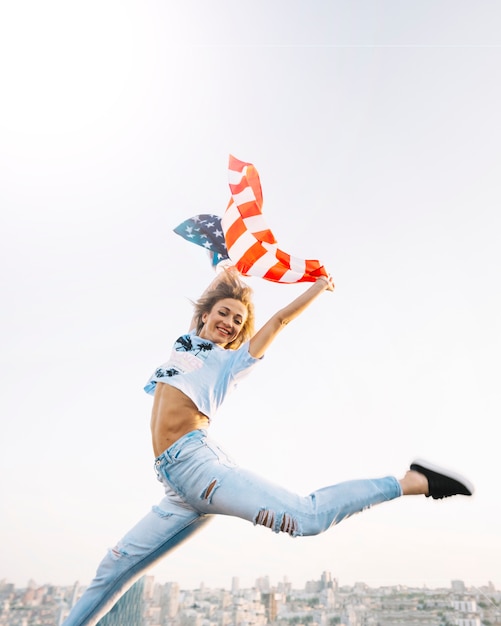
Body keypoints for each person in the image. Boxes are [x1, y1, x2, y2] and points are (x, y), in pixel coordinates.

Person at [63, 269, 473, 626]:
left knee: (306, 517)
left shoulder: (230, 364)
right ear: (204, 315)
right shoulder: (186, 344)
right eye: (223, 313)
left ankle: (411, 481)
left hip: (201, 470)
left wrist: (318, 286)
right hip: (175, 488)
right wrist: (228, 266)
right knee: (114, 568)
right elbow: (216, 290)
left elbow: (277, 320)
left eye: (237, 321)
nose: (229, 322)